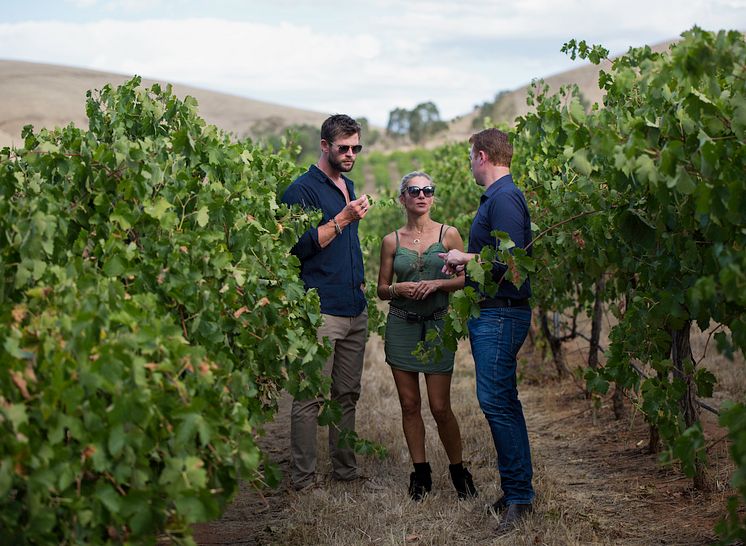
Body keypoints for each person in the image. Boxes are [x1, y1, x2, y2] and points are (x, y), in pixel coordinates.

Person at [439, 129, 534, 533]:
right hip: (494, 312)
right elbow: (493, 260)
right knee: (500, 401)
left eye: (469, 157)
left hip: (501, 314)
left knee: (497, 403)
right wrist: (466, 264)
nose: (468, 164)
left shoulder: (505, 197)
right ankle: (516, 490)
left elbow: (510, 261)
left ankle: (520, 498)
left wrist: (465, 255)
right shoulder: (500, 197)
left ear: (482, 156)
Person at [281, 114, 370, 491]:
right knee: (308, 396)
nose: (350, 154)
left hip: (354, 307)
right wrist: (343, 218)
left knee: (347, 394)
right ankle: (303, 480)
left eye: (356, 148)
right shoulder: (300, 190)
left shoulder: (347, 184)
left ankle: (344, 471)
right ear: (324, 146)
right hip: (319, 309)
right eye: (343, 148)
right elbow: (298, 246)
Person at [377, 171, 478, 502]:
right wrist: (397, 288)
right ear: (402, 198)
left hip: (437, 327)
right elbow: (381, 289)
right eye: (414, 190)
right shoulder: (391, 240)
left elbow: (467, 280)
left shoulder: (450, 235)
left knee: (440, 407)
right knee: (409, 404)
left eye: (427, 190)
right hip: (401, 325)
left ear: (433, 197)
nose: (421, 195)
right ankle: (421, 475)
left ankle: (459, 471)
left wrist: (437, 284)